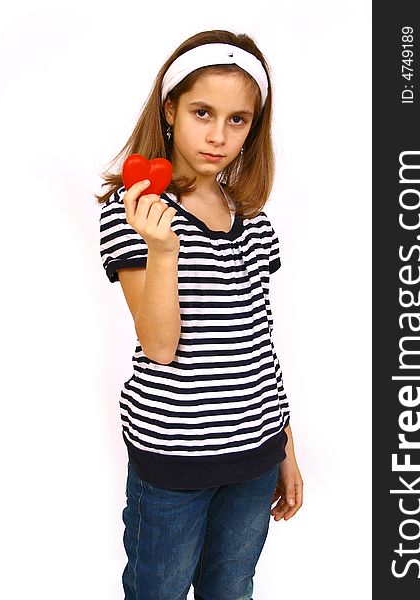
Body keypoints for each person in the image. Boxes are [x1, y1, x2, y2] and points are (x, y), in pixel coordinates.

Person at [97, 29, 303, 600]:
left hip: (255, 455)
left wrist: (285, 449)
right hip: (175, 458)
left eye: (238, 120)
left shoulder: (251, 218)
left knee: (231, 589)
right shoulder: (135, 210)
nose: (218, 135)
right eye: (202, 112)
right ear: (170, 109)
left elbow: (257, 342)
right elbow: (160, 345)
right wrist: (163, 252)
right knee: (157, 591)